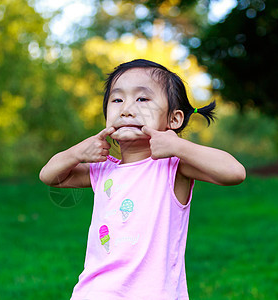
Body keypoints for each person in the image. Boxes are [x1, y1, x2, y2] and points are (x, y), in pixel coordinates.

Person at [40, 59, 246, 299]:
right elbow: (50, 176)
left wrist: (178, 146)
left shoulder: (173, 167)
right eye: (117, 100)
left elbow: (235, 172)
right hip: (95, 291)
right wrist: (76, 153)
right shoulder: (103, 169)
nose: (126, 109)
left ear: (174, 120)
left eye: (142, 99)